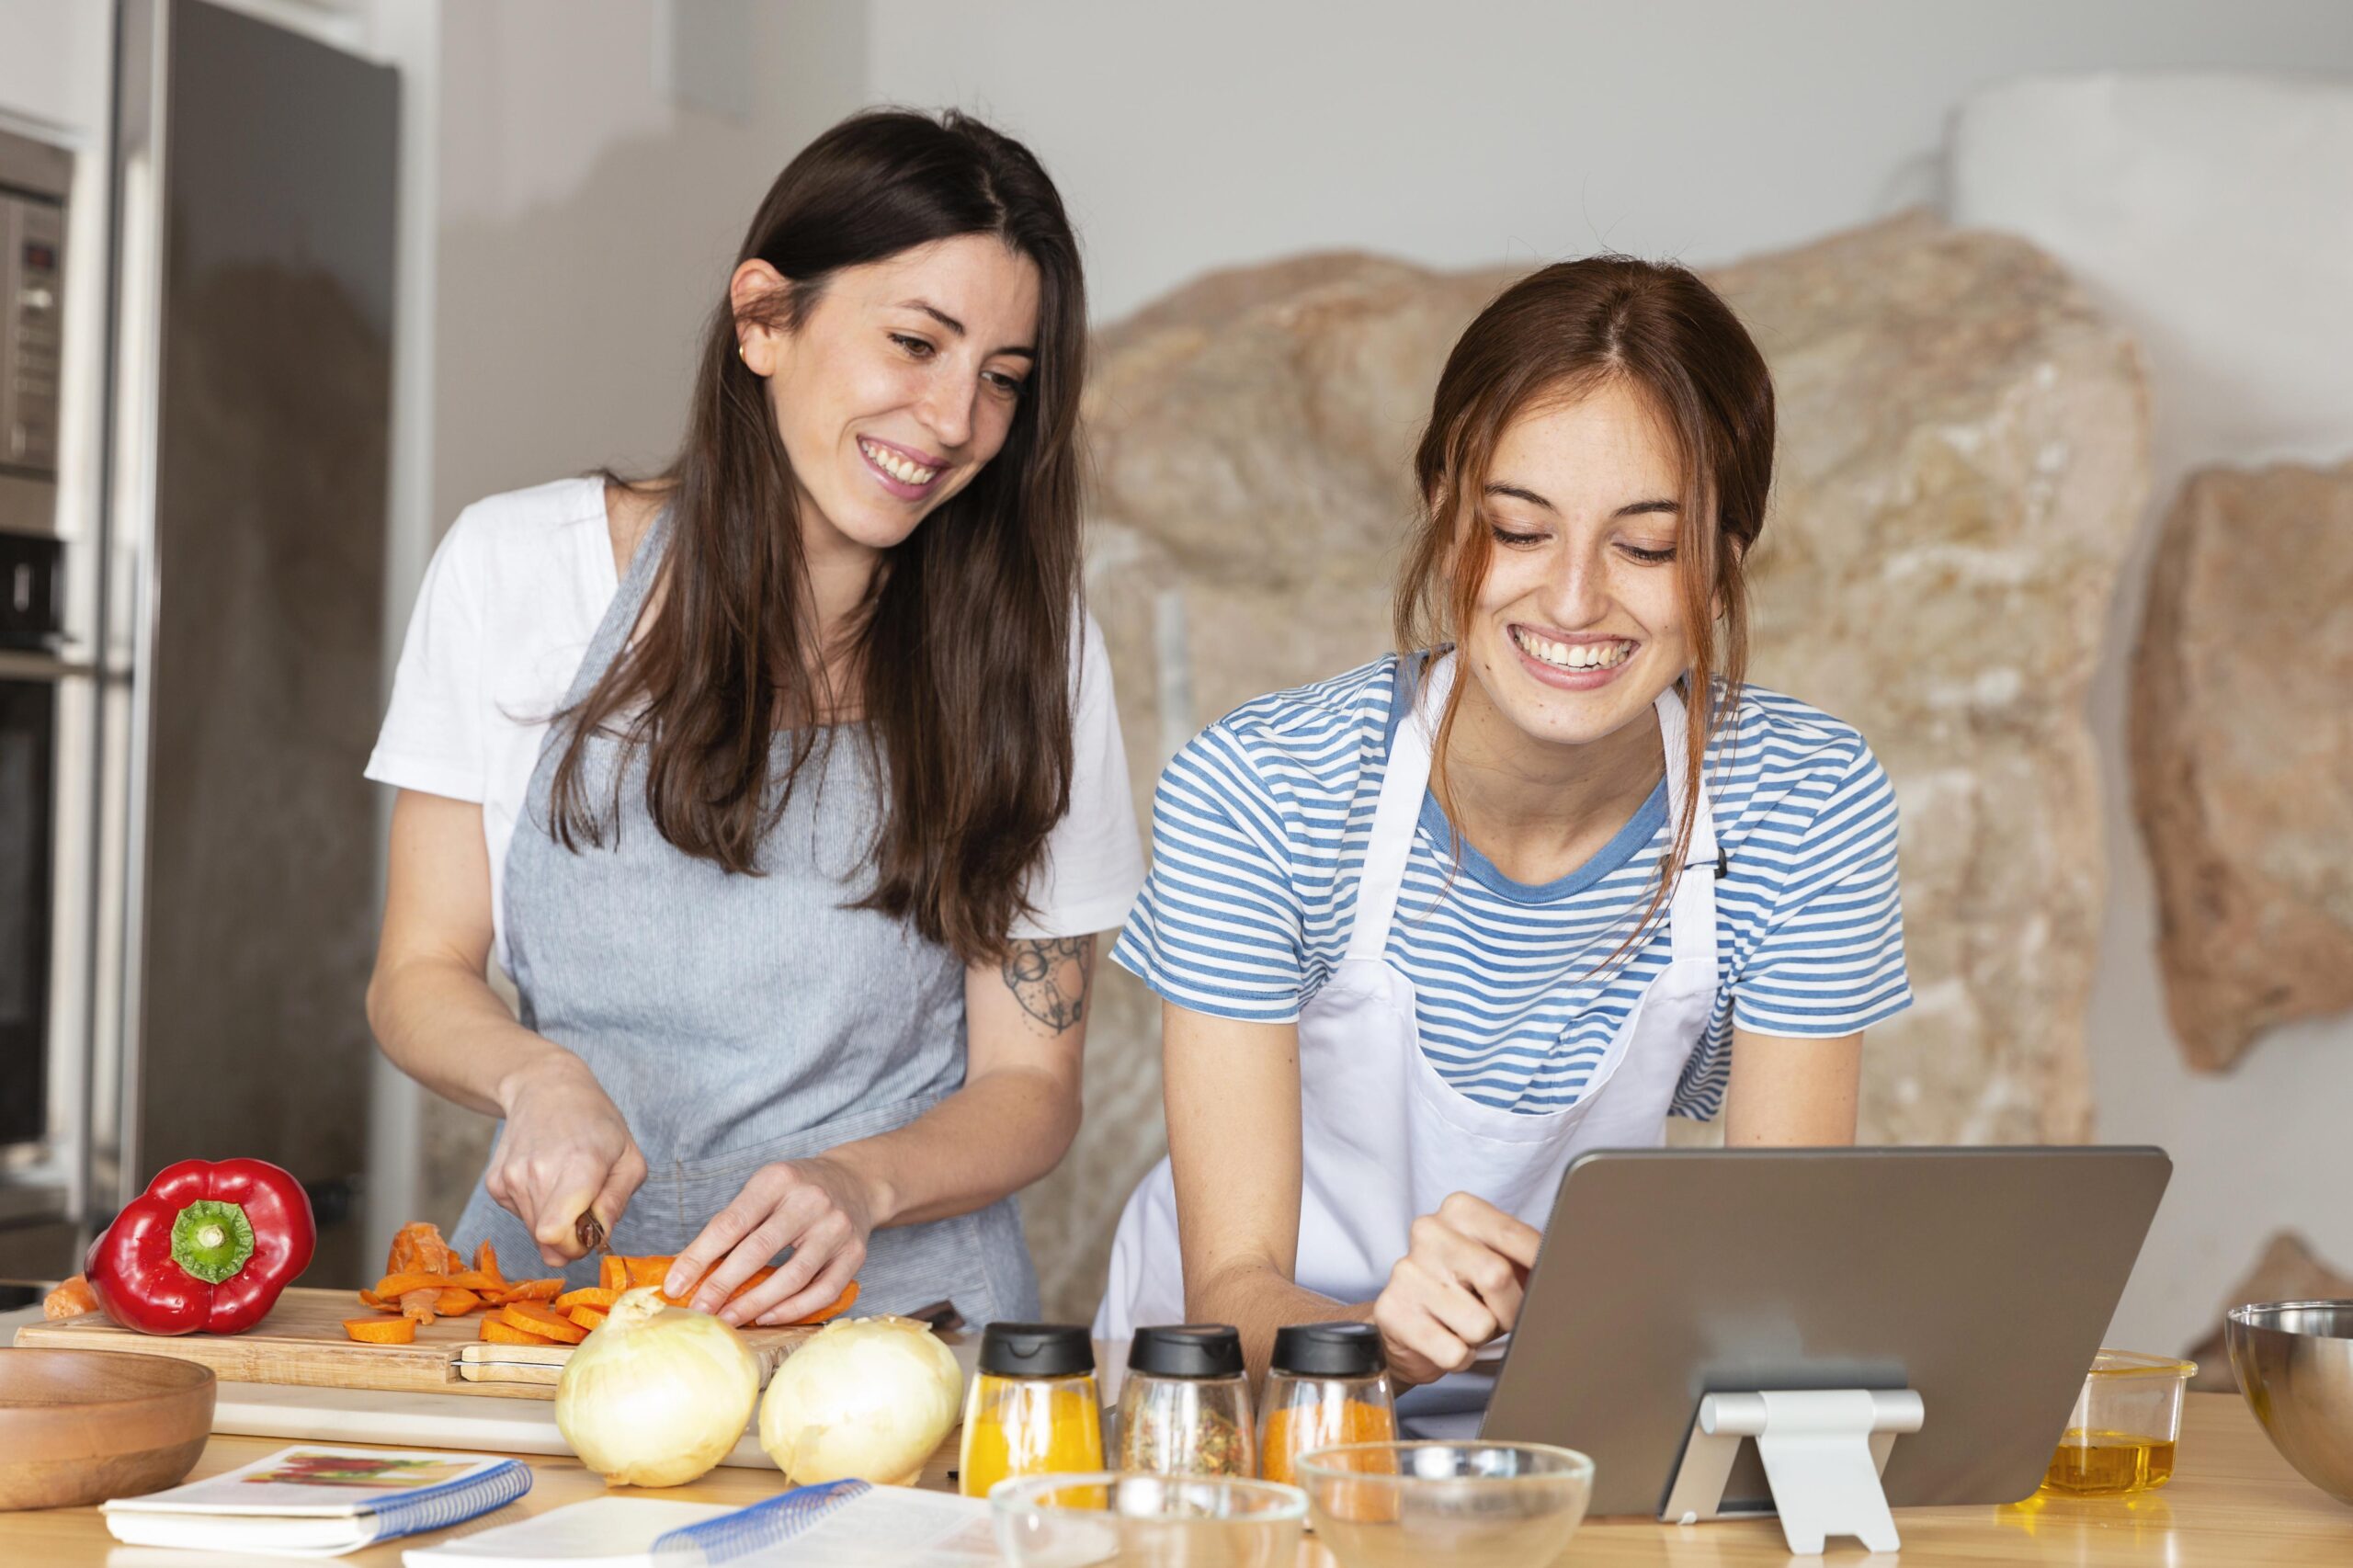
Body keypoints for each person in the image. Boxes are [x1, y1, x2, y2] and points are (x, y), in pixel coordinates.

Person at [1097, 257, 1911, 1420]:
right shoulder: (1264, 787)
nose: (1574, 601)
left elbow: (1772, 1267)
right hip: (1244, 1413)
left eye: (1644, 546)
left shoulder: (1804, 800)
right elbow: (1225, 1289)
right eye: (1520, 529)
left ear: (1725, 557)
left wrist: (1607, 1310)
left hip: (1573, 1415)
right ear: (1442, 507)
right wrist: (1373, 1340)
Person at [365, 109, 1142, 1330]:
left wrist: (860, 1178)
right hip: (550, 1318)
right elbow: (417, 972)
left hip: (899, 1336)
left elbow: (1030, 1084)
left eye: (1001, 379)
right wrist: (537, 1076)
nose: (951, 421)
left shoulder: (1033, 656)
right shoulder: (518, 570)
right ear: (763, 319)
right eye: (914, 343)